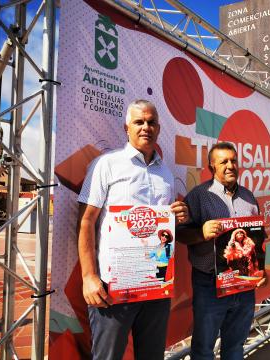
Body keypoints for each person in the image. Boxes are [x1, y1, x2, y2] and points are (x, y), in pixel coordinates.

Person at [77, 99, 189, 360]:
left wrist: (178, 216)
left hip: (156, 284)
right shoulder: (106, 164)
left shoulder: (167, 174)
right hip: (113, 287)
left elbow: (164, 227)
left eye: (151, 122)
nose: (145, 127)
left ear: (159, 128)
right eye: (139, 122)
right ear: (126, 127)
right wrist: (89, 277)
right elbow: (85, 222)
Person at [177, 142, 265, 360]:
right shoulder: (198, 195)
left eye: (233, 161)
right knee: (203, 348)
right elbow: (180, 234)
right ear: (212, 167)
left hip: (244, 286)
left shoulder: (249, 197)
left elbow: (256, 239)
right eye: (223, 161)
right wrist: (201, 233)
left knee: (235, 346)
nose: (230, 166)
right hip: (209, 284)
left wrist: (258, 269)